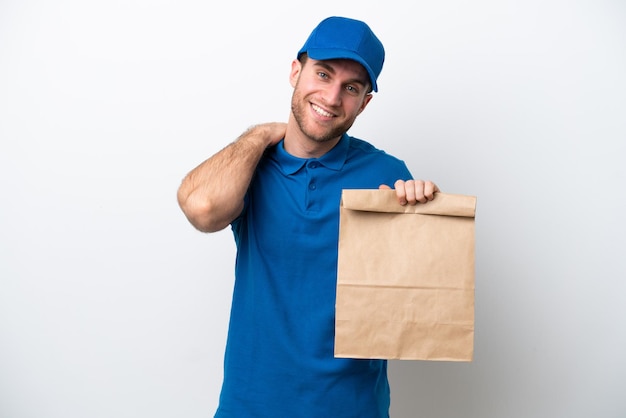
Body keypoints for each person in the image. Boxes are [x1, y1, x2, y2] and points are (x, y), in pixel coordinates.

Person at [177, 16, 439, 418]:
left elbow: (420, 307)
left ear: (364, 102)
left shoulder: (386, 174)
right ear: (295, 71)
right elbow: (203, 209)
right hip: (250, 405)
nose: (332, 98)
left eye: (351, 88)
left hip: (352, 408)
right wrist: (260, 135)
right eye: (323, 73)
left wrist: (420, 219)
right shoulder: (251, 164)